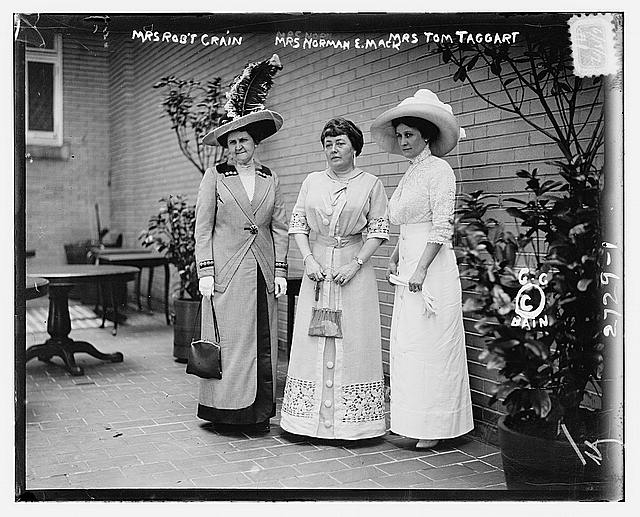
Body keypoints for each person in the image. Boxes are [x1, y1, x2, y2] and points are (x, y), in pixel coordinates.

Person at [370, 89, 474, 448]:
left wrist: (421, 269)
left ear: (426, 135)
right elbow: (409, 221)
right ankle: (409, 421)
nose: (403, 142)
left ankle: (437, 427)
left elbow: (442, 225)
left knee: (432, 345)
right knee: (408, 344)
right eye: (399, 136)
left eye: (409, 135)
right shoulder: (412, 173)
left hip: (433, 266)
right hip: (411, 262)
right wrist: (397, 254)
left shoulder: (439, 171)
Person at [194, 54, 288, 432]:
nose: (237, 147)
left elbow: (278, 226)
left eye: (243, 140)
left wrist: (280, 269)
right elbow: (203, 228)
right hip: (226, 272)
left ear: (255, 143)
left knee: (263, 344)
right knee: (230, 343)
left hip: (262, 270)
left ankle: (258, 414)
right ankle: (226, 413)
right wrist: (205, 271)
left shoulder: (270, 178)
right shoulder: (214, 176)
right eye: (231, 142)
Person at [281, 118, 389, 440]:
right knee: (312, 339)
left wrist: (355, 264)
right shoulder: (312, 181)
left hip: (353, 273)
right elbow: (298, 224)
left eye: (339, 143)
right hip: (318, 270)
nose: (333, 150)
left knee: (354, 338)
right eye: (328, 144)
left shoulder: (371, 183)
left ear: (355, 147)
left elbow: (379, 230)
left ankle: (353, 425)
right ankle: (306, 422)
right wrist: (309, 259)